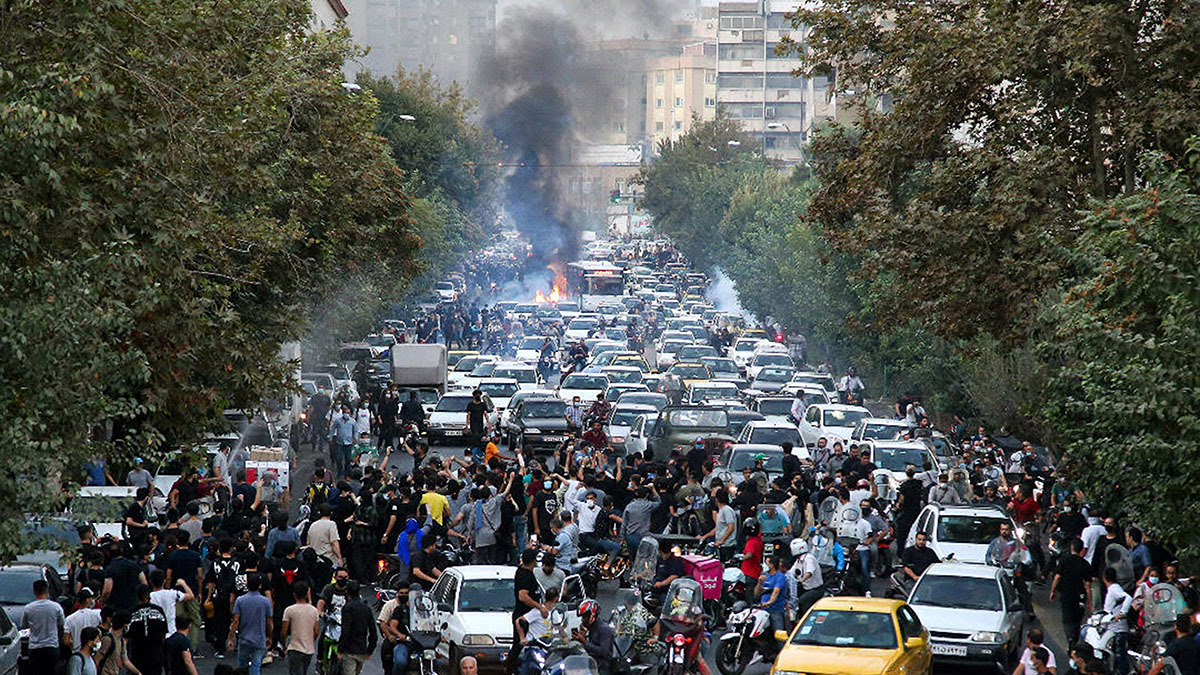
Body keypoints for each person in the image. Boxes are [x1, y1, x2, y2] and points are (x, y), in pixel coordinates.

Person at [508, 550, 548, 675]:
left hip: (529, 616)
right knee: (520, 644)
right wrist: (539, 607)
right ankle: (513, 670)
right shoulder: (525, 576)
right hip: (524, 615)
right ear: (533, 561)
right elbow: (523, 596)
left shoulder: (523, 571)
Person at [1049, 538, 1092, 647]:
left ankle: (1070, 639)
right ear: (1082, 549)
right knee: (1077, 620)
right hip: (1080, 596)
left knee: (1067, 619)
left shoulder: (1064, 560)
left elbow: (1057, 577)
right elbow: (1087, 585)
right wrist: (1089, 601)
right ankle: (1075, 638)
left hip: (1066, 595)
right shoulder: (1085, 564)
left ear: (1071, 548)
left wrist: (1052, 591)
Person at [228, 574, 273, 675]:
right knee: (256, 665)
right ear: (260, 586)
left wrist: (231, 637)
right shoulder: (265, 602)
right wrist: (270, 636)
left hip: (244, 638)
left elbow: (236, 621)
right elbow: (269, 621)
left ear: (247, 585)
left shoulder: (240, 600)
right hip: (259, 638)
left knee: (242, 665)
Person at [21, 578, 66, 674]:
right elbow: (61, 624)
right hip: (51, 646)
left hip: (35, 647)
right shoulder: (56, 607)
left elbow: (24, 625)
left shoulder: (28, 608)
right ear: (47, 591)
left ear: (34, 591)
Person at [337, 581, 377, 675]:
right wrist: (370, 649)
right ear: (359, 592)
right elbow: (373, 631)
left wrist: (340, 649)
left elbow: (346, 630)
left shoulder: (347, 608)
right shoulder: (366, 608)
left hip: (349, 650)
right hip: (361, 650)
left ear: (347, 592)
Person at [127, 585, 169, 675]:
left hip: (137, 653)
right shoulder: (158, 611)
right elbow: (163, 633)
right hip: (155, 652)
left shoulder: (131, 613)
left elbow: (127, 635)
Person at [281, 581, 320, 675]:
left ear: (294, 594)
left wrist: (284, 645)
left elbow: (284, 631)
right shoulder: (314, 611)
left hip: (295, 647)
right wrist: (311, 640)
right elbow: (316, 631)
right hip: (309, 649)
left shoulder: (289, 610)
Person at [1101, 567, 1133, 675]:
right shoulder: (1112, 588)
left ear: (1104, 577)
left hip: (1118, 629)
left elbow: (1128, 598)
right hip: (1112, 627)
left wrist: (1122, 613)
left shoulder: (1114, 588)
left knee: (1120, 655)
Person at [573, 599, 614, 675]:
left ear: (592, 615)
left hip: (603, 668)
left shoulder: (604, 629)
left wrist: (584, 641)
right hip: (592, 665)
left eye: (585, 617)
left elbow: (604, 651)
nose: (583, 620)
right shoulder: (592, 628)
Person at [756, 555, 789, 640]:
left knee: (779, 635)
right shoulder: (765, 576)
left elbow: (776, 591)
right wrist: (759, 583)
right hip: (763, 610)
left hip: (775, 609)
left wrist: (769, 602)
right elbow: (756, 593)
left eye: (767, 563)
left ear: (772, 565)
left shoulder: (780, 577)